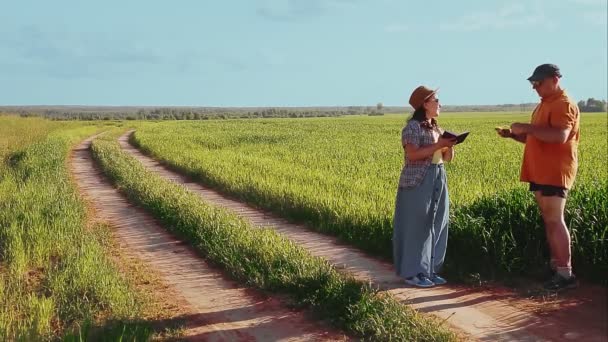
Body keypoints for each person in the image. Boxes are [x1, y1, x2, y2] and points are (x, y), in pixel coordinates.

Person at [497, 64, 580, 290]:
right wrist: (514, 136)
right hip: (541, 170)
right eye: (533, 84)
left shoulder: (563, 104)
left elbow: (560, 136)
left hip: (555, 170)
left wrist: (527, 127)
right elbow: (538, 138)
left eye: (538, 83)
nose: (535, 88)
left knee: (555, 219)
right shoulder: (546, 104)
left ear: (554, 79)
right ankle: (556, 267)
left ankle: (565, 274)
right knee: (549, 220)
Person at [393, 86, 457, 288]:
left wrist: (450, 145)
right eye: (436, 100)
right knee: (416, 226)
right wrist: (438, 145)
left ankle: (430, 270)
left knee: (438, 222)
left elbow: (446, 158)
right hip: (418, 179)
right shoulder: (412, 127)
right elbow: (412, 154)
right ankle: (413, 272)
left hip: (438, 176)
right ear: (424, 104)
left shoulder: (436, 128)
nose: (440, 104)